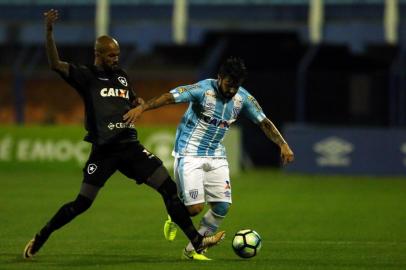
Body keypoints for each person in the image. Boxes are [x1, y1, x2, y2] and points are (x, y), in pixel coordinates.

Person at [23, 9, 225, 259]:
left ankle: (197, 241)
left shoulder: (121, 76)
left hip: (130, 147)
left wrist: (137, 101)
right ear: (97, 54)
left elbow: (130, 99)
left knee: (168, 188)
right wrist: (49, 31)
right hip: (104, 151)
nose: (115, 59)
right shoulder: (86, 76)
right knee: (82, 203)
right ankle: (42, 236)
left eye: (117, 55)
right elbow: (55, 64)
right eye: (111, 56)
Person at [123, 57, 294, 260]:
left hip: (216, 155)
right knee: (194, 209)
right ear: (220, 78)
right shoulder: (203, 90)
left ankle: (192, 250)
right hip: (189, 152)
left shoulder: (243, 99)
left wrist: (282, 144)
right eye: (229, 84)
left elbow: (263, 122)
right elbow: (169, 97)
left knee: (222, 206)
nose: (231, 91)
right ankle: (174, 212)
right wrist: (143, 108)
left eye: (236, 86)